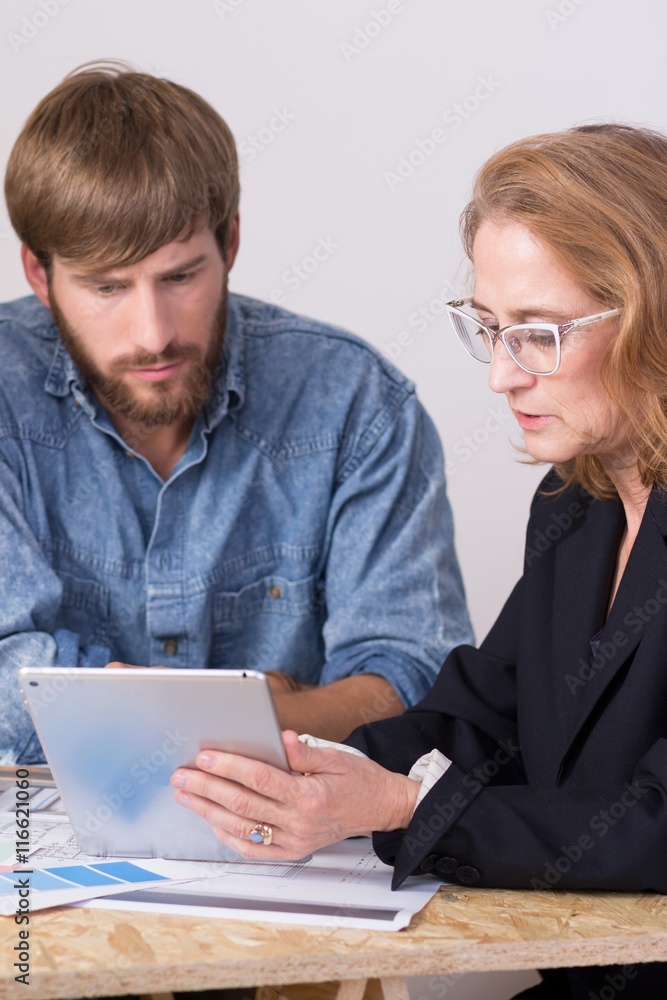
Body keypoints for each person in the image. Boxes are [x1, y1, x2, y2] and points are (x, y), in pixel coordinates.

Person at [171, 123, 667, 998]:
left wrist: (403, 808)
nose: (501, 377)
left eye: (540, 334)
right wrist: (287, 763)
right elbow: (480, 721)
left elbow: (653, 827)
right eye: (490, 329)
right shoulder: (575, 504)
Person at [0, 62, 472, 764]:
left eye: (180, 276)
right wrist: (271, 707)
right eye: (106, 287)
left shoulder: (355, 403)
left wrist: (144, 717)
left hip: (293, 847)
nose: (152, 333)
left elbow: (411, 678)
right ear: (40, 274)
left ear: (230, 243)